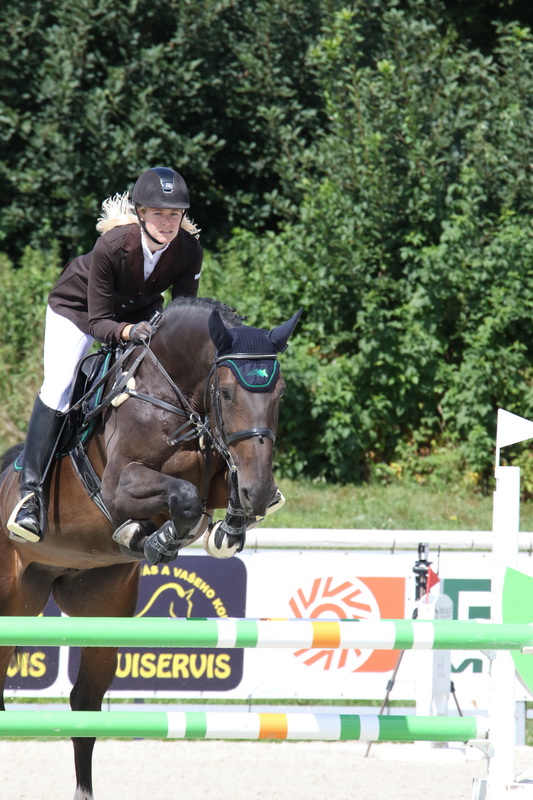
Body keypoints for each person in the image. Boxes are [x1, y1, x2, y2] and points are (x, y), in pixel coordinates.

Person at [7, 166, 203, 543]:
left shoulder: (189, 250)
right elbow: (99, 322)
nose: (167, 222)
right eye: (158, 213)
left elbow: (182, 315)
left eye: (174, 214)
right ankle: (29, 496)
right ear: (140, 214)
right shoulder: (112, 246)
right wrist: (128, 332)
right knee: (61, 386)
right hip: (78, 311)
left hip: (137, 313)